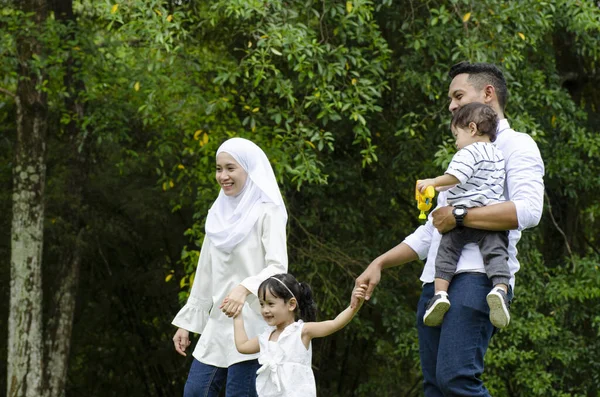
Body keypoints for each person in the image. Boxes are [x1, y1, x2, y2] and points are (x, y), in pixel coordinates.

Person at [353, 62, 544, 396]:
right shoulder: (461, 157)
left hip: (478, 279)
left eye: (458, 96)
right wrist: (379, 262)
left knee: (456, 380)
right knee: (436, 388)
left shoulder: (518, 145)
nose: (452, 106)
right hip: (435, 283)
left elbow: (529, 210)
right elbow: (432, 230)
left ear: (488, 94)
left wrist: (458, 214)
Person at [171, 137, 289, 397]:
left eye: (230, 168)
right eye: (218, 169)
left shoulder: (268, 212)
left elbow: (278, 268)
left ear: (249, 169)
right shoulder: (217, 213)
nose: (223, 175)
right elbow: (205, 271)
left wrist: (244, 288)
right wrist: (187, 323)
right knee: (195, 392)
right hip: (218, 326)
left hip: (255, 326)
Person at [417, 103, 511, 329]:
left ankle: (440, 295)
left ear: (471, 128)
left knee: (446, 255)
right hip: (487, 219)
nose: (456, 142)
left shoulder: (468, 151)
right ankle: (499, 289)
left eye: (456, 135)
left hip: (461, 218)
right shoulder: (498, 155)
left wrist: (433, 182)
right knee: (497, 255)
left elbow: (456, 176)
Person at [233, 273, 367, 397]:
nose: (265, 310)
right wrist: (237, 316)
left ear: (291, 304)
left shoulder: (302, 331)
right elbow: (243, 346)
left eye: (270, 304)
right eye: (262, 304)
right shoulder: (266, 337)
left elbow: (334, 323)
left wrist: (354, 305)